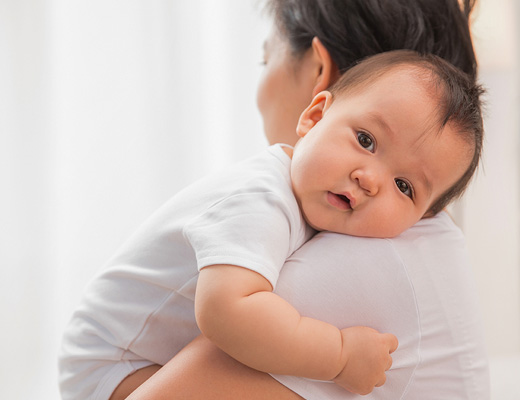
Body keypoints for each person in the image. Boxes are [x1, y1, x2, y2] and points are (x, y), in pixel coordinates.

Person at [59, 48, 484, 400]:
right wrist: (337, 355)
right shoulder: (259, 198)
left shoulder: (328, 214)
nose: (370, 179)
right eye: (366, 140)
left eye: (405, 186)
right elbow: (228, 311)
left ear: (425, 218)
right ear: (314, 116)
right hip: (113, 368)